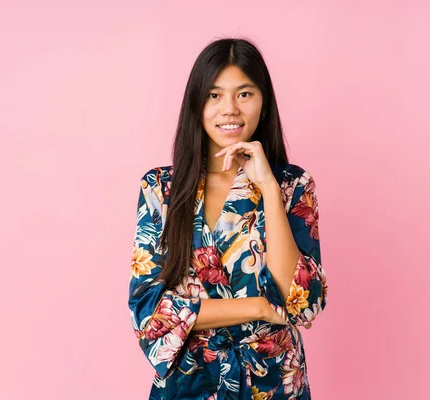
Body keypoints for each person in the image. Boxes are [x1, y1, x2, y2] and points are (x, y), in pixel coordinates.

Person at [128, 37, 328, 400]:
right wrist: (257, 308)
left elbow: (304, 302)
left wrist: (267, 186)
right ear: (196, 104)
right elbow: (148, 310)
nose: (230, 110)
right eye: (214, 95)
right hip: (190, 384)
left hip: (273, 383)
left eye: (245, 94)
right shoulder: (161, 189)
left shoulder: (292, 186)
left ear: (264, 103)